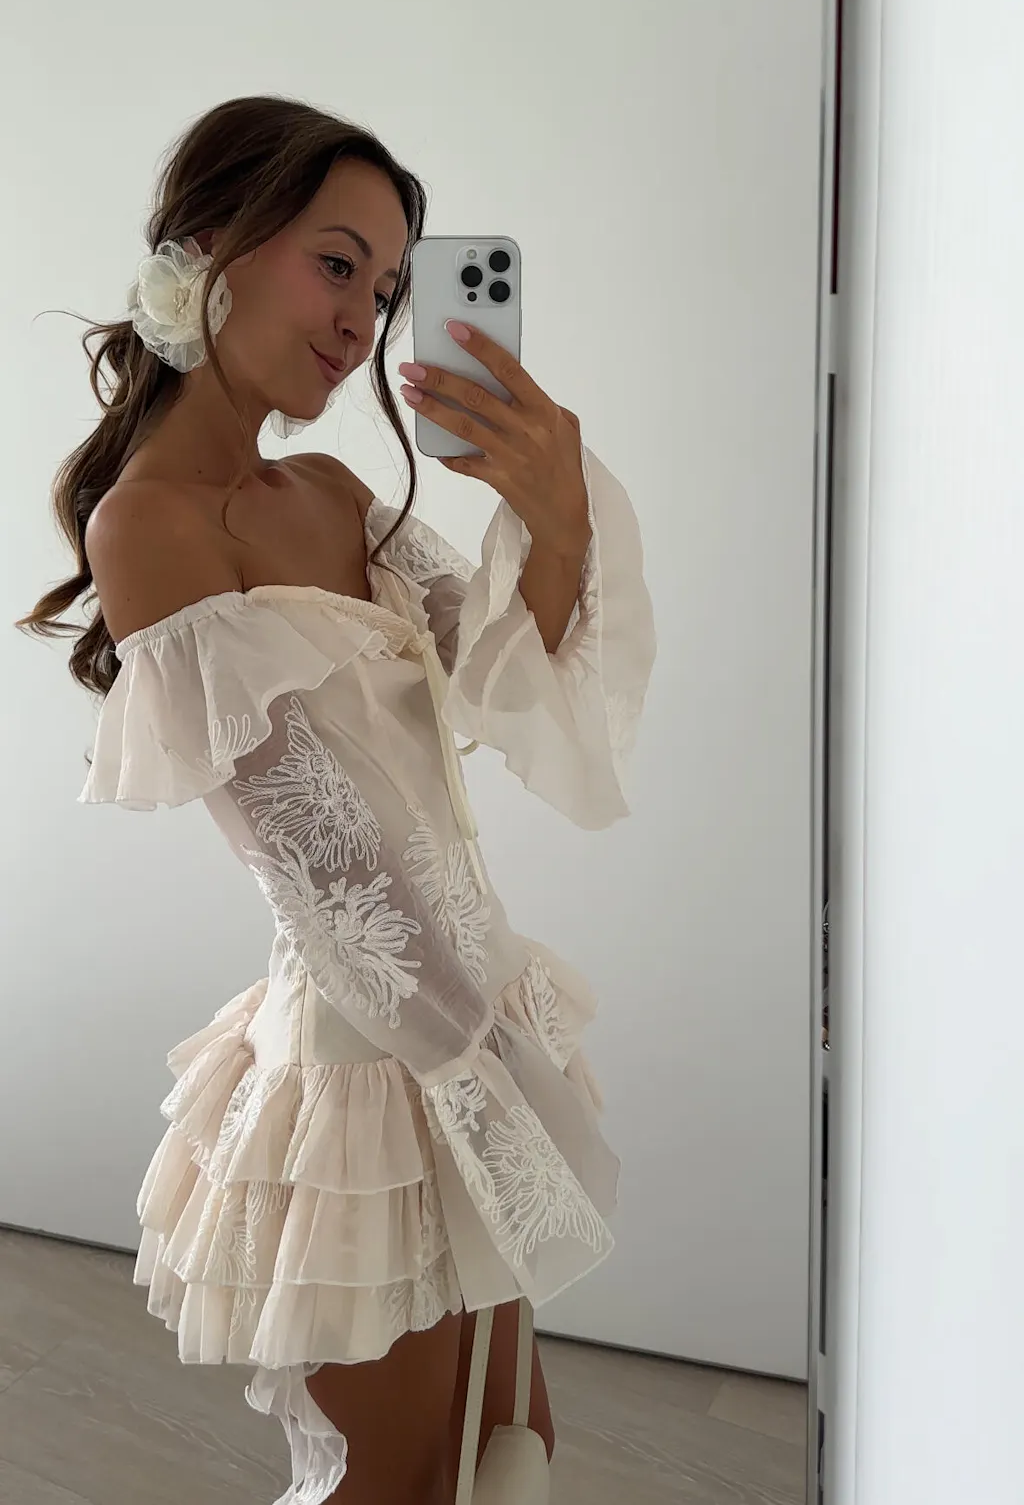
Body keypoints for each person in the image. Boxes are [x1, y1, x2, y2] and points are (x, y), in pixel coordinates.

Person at [21, 95, 655, 1505]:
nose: (364, 319)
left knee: (508, 1458)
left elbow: (503, 679)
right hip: (380, 1063)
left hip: (468, 1021)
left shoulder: (328, 486)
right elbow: (323, 863)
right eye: (337, 264)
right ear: (213, 245)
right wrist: (487, 1076)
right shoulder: (151, 524)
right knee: (400, 1482)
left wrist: (553, 513)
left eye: (386, 289)